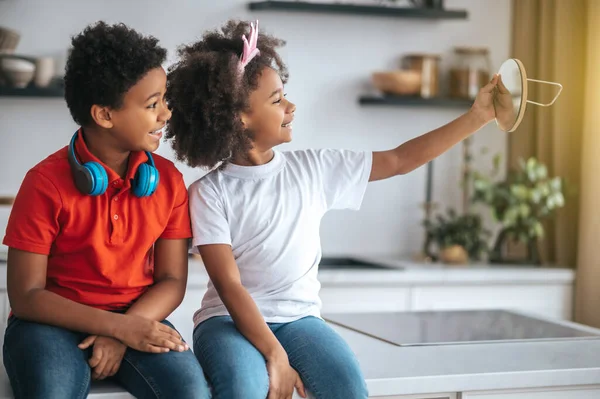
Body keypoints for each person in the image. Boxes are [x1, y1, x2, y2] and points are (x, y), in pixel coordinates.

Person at [165, 19, 500, 399]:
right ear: (240, 117)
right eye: (277, 100)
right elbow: (229, 286)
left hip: (300, 321)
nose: (290, 106)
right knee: (246, 388)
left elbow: (399, 159)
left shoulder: (314, 168)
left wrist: (478, 117)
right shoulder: (209, 193)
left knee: (347, 388)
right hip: (226, 322)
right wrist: (275, 356)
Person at [2, 21, 210, 399]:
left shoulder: (168, 180)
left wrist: (126, 327)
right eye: (152, 104)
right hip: (47, 323)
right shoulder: (44, 183)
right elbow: (26, 295)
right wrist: (115, 328)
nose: (165, 114)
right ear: (104, 115)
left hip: (138, 315)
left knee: (191, 391)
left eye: (164, 100)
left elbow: (171, 281)